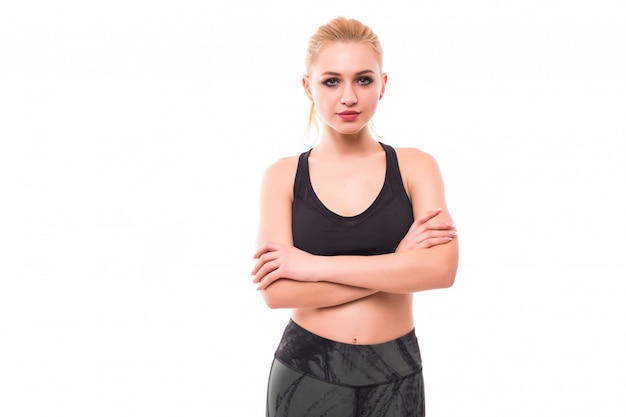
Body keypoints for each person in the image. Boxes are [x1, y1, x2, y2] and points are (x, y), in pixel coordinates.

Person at [252, 16, 459, 417]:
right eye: (331, 81)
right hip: (306, 370)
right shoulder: (283, 176)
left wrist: (313, 267)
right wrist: (399, 264)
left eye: (363, 80)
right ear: (307, 86)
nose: (348, 96)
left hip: (395, 370)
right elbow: (277, 293)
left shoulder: (417, 167)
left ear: (383, 83)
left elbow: (441, 271)